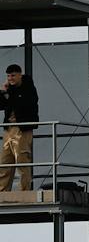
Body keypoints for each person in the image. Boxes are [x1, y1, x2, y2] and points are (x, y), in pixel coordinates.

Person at [0, 62, 37, 193]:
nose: (10, 79)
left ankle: (24, 191)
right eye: (9, 76)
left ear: (20, 75)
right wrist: (3, 92)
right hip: (8, 129)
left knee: (22, 161)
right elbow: (2, 105)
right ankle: (3, 191)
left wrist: (9, 94)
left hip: (22, 129)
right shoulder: (9, 89)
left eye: (13, 76)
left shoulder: (28, 88)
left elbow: (25, 103)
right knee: (5, 162)